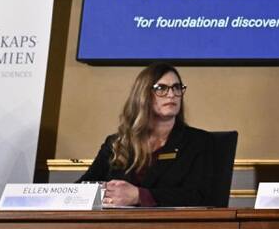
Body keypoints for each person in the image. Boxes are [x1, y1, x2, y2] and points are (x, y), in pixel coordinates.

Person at [78, 63, 216, 207]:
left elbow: (200, 196)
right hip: (114, 225)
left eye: (177, 88)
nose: (171, 95)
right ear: (142, 95)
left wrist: (140, 196)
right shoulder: (117, 143)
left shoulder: (199, 142)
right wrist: (104, 194)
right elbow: (82, 189)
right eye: (161, 88)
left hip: (171, 227)